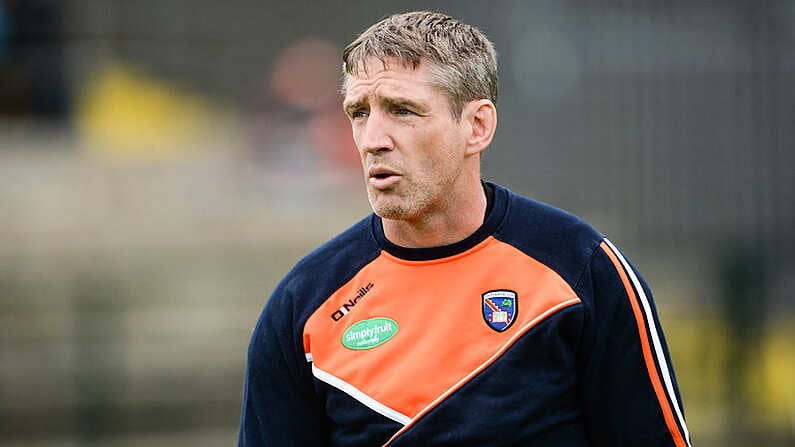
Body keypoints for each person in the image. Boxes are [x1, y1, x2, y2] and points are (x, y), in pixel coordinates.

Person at [239, 11, 691, 447]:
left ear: (477, 126)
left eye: (402, 110)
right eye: (359, 112)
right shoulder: (302, 304)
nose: (373, 139)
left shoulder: (580, 268)